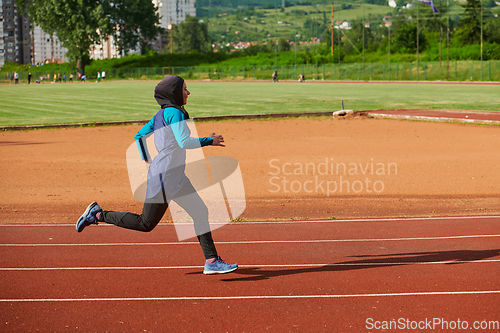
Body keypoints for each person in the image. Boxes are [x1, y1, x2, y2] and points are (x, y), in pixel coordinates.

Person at [76, 75, 238, 275]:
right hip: (166, 178)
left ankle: (212, 261)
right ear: (174, 92)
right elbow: (184, 142)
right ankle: (98, 214)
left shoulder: (160, 115)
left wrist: (148, 160)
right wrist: (208, 141)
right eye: (185, 89)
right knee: (145, 223)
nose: (188, 93)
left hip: (174, 176)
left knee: (199, 212)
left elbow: (139, 136)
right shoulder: (175, 113)